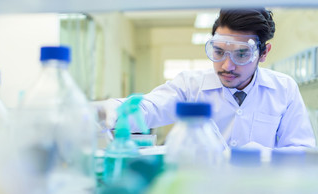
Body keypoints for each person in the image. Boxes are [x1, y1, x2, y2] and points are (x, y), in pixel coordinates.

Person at [102, 8, 316, 149]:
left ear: (264, 53)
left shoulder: (284, 89)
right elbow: (149, 107)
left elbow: (303, 151)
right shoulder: (190, 85)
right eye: (219, 51)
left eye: (242, 54)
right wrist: (108, 110)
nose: (226, 66)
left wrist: (259, 156)